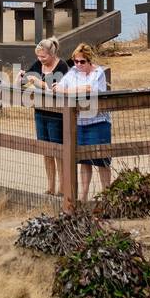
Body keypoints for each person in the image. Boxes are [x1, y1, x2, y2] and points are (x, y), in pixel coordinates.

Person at [55, 44, 112, 200]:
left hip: (98, 121)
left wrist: (68, 91)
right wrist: (69, 90)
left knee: (102, 161)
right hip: (80, 122)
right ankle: (83, 197)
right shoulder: (72, 72)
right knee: (84, 161)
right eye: (75, 61)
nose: (78, 64)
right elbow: (58, 88)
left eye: (82, 62)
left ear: (89, 61)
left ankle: (107, 197)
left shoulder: (98, 73)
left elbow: (90, 89)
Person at [20, 38, 70, 196]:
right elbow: (25, 82)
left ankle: (62, 188)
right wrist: (22, 78)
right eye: (38, 56)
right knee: (46, 151)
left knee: (58, 151)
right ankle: (50, 187)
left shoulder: (62, 66)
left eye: (43, 57)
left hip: (57, 114)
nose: (40, 59)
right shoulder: (38, 65)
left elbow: (58, 88)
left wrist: (39, 83)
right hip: (40, 112)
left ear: (52, 54)